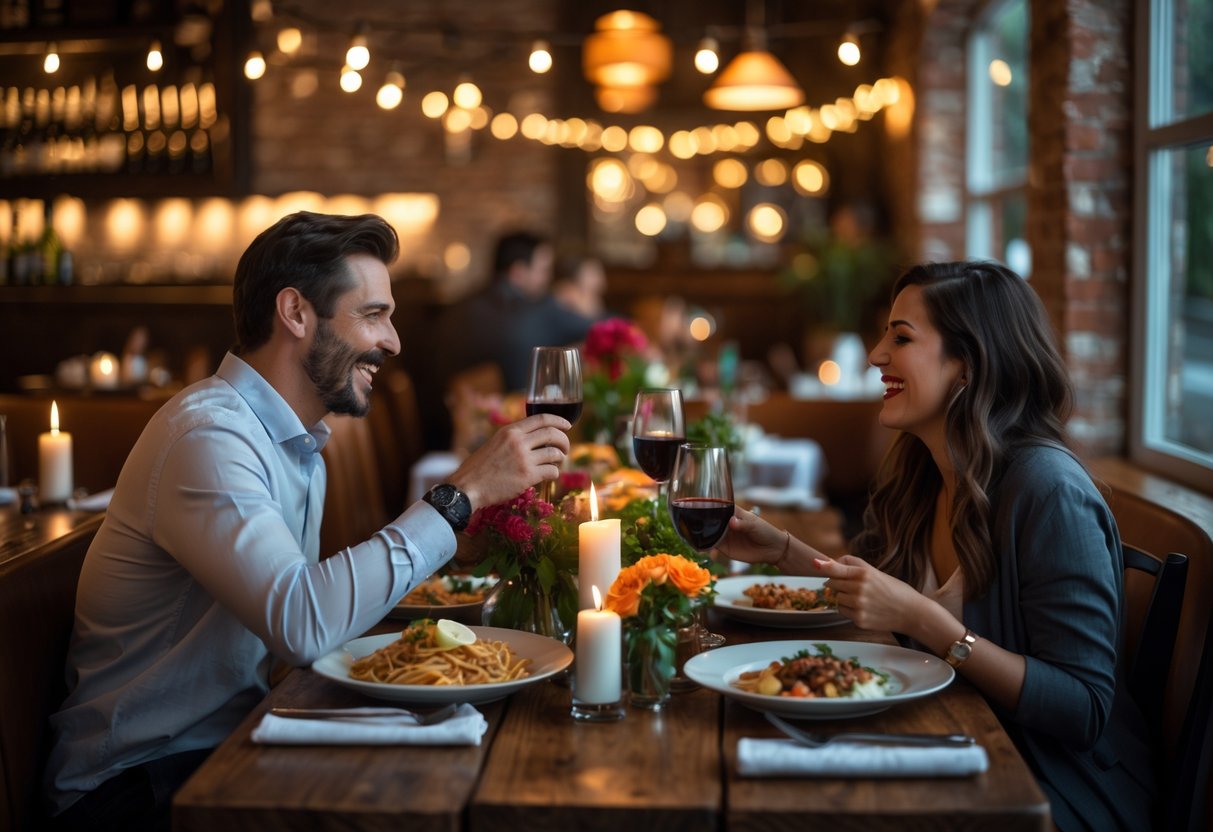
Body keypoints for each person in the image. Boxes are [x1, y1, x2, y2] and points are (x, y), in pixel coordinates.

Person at [42, 212, 572, 831]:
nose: (394, 341)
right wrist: (458, 496)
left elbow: (301, 612)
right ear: (295, 313)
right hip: (134, 787)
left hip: (237, 741)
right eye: (373, 314)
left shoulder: (293, 439)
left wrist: (457, 536)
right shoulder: (210, 437)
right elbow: (303, 622)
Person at [718, 261, 1154, 831]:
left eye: (900, 338)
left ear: (968, 364)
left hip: (1052, 790)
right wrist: (783, 550)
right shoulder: (922, 471)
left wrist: (927, 622)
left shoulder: (1049, 491)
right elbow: (874, 591)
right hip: (952, 742)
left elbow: (1083, 708)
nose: (875, 356)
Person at [434, 231, 593, 393]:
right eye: (544, 270)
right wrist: (588, 307)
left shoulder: (461, 307)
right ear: (518, 272)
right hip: (505, 412)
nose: (549, 278)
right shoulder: (534, 311)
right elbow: (603, 329)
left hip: (443, 410)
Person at [552, 254, 608, 320]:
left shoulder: (594, 297)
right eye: (593, 273)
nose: (600, 277)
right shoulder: (568, 293)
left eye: (600, 272)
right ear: (576, 275)